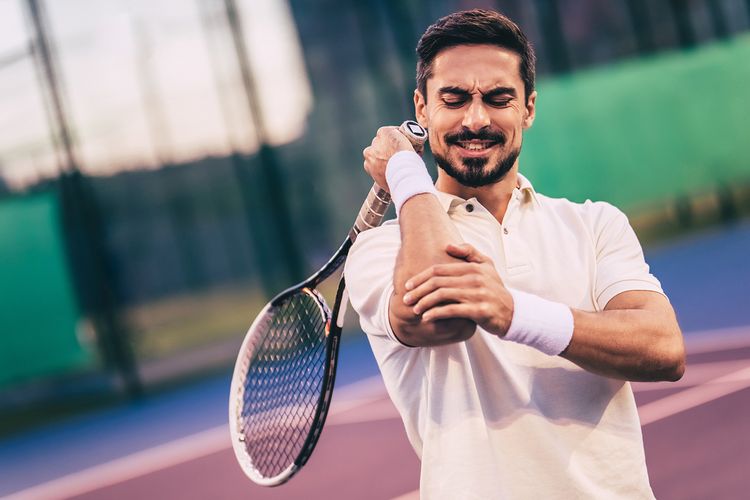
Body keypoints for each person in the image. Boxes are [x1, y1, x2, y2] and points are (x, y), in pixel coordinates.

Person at [343, 8, 686, 500]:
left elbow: (663, 349)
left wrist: (513, 312)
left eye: (499, 98)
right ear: (421, 108)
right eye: (454, 99)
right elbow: (443, 318)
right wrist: (404, 174)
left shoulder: (594, 224)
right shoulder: (381, 249)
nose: (476, 118)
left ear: (528, 108)